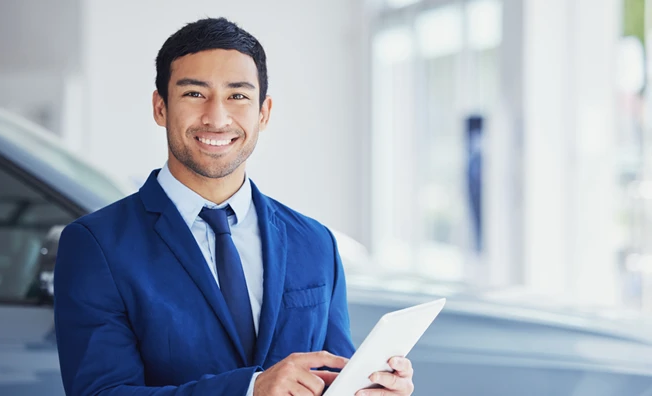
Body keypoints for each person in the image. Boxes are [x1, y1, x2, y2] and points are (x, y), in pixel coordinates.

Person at [53, 17, 415, 396]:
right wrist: (250, 390)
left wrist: (369, 388)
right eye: (194, 94)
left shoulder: (315, 241)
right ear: (160, 107)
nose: (217, 117)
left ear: (264, 112)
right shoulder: (95, 245)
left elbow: (334, 373)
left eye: (238, 96)